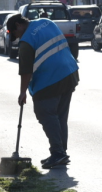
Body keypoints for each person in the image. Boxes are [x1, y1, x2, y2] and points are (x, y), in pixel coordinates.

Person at [6, 13, 79, 169]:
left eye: (15, 34)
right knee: (60, 116)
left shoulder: (26, 42)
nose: (17, 38)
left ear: (18, 25)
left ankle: (58, 153)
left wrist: (23, 92)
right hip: (70, 73)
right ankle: (60, 153)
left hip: (50, 80)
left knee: (45, 113)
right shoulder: (47, 22)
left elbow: (25, 71)